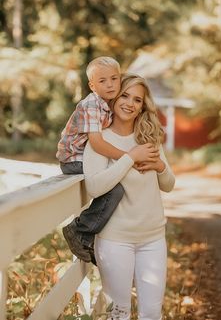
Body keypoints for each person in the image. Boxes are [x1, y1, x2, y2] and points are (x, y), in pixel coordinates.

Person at [83, 73, 175, 320]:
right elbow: (94, 186)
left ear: (142, 106)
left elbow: (169, 184)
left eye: (137, 99)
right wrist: (130, 157)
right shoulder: (98, 140)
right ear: (113, 97)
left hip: (153, 238)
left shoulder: (148, 136)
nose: (129, 103)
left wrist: (160, 167)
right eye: (124, 95)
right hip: (115, 240)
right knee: (119, 313)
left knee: (152, 313)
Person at [56, 56, 159, 264]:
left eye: (114, 78)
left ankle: (89, 234)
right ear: (92, 86)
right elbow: (97, 144)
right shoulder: (92, 104)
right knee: (114, 187)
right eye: (103, 81)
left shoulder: (107, 103)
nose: (110, 84)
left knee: (116, 177)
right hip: (73, 159)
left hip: (85, 157)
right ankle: (79, 231)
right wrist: (130, 157)